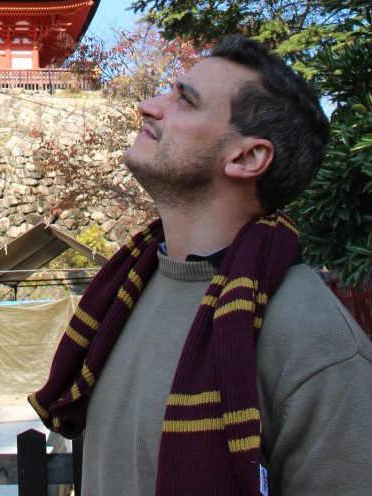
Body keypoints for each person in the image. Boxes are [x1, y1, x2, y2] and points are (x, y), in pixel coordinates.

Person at [30, 36, 372, 496]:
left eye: (184, 101)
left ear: (247, 157)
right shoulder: (123, 296)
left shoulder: (317, 346)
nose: (147, 106)